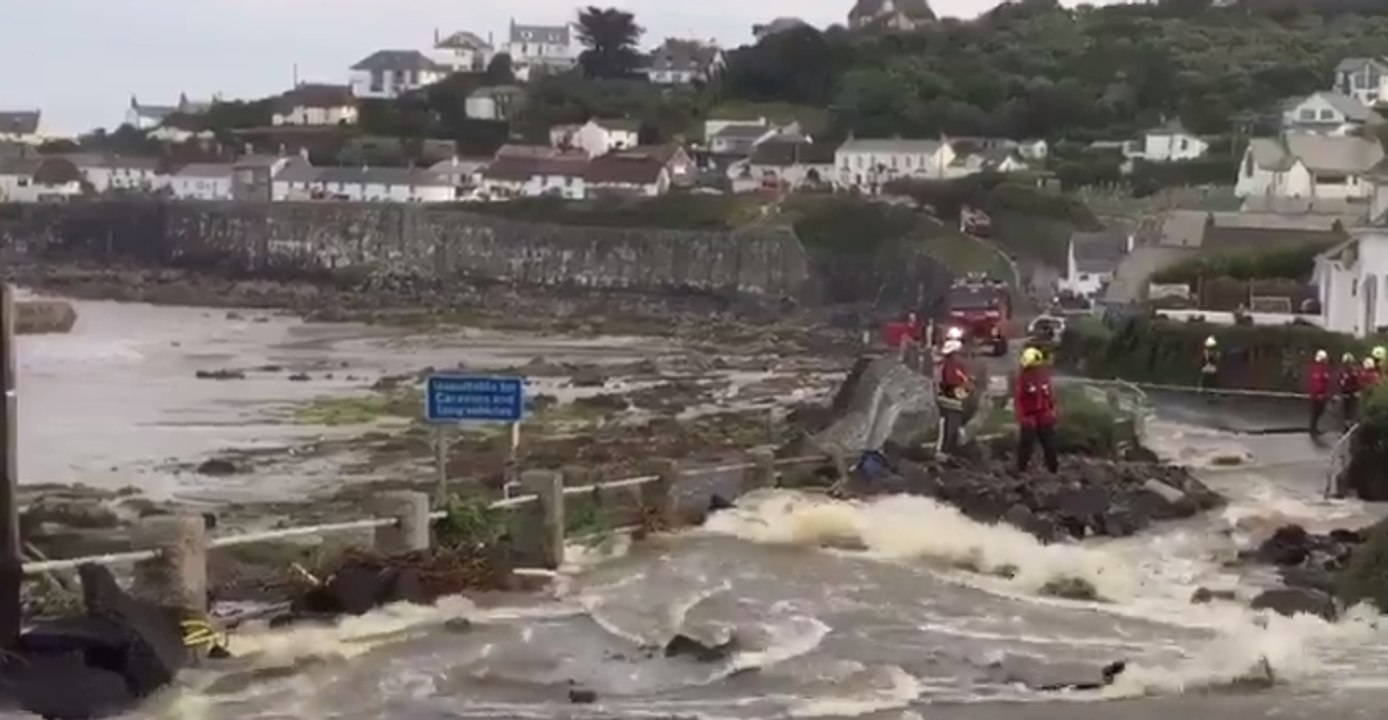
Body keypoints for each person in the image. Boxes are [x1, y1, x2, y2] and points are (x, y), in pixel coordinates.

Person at [1015, 346, 1059, 473]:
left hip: (1044, 416)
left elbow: (1050, 395)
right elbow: (1019, 399)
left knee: (1050, 445)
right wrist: (1022, 417)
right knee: (1026, 445)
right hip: (1029, 416)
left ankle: (1053, 470)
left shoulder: (1044, 377)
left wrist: (1053, 411)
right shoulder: (1023, 379)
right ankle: (1021, 470)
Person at [936, 339, 972, 457]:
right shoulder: (949, 367)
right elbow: (951, 384)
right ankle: (943, 452)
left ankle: (951, 452)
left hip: (956, 403)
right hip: (949, 403)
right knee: (949, 429)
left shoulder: (958, 366)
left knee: (954, 429)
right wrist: (964, 388)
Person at [1308, 350, 1331, 435]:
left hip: (1322, 394)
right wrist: (1319, 393)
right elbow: (1317, 382)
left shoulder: (1323, 367)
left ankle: (1314, 428)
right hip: (1318, 395)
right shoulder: (1318, 368)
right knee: (1316, 412)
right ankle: (1313, 429)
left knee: (1319, 411)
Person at [1340, 352, 1363, 429]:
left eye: (1349, 362)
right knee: (1346, 412)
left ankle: (1350, 427)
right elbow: (1340, 383)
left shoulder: (1354, 371)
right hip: (1345, 393)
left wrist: (1356, 391)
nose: (1348, 364)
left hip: (1352, 393)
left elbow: (1357, 382)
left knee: (1352, 411)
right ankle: (1346, 427)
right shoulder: (1343, 372)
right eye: (1346, 363)